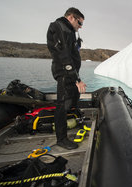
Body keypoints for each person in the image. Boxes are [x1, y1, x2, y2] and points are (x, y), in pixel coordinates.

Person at [46, 7, 86, 150]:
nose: (80, 27)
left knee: (74, 96)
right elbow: (64, 55)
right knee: (62, 104)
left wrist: (77, 77)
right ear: (71, 17)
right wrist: (77, 79)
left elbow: (71, 53)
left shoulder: (68, 31)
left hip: (70, 73)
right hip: (64, 72)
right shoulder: (59, 27)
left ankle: (76, 119)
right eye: (79, 23)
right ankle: (61, 138)